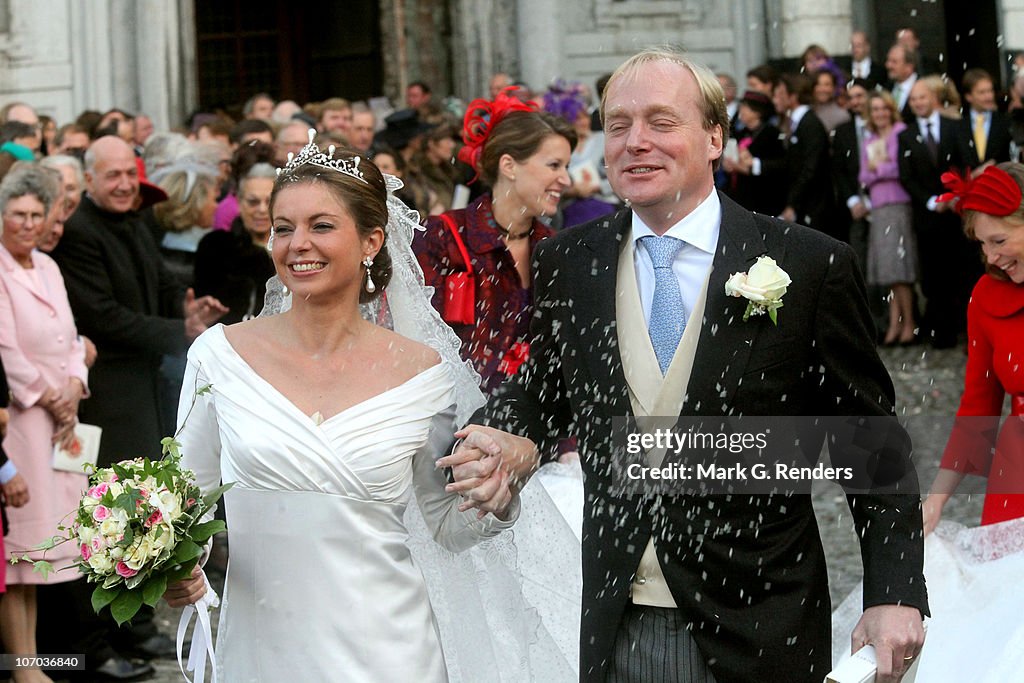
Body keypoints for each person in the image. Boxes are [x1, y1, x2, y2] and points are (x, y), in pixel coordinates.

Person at [454, 47, 927, 683]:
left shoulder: (809, 264)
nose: (634, 142)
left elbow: (872, 443)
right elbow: (543, 389)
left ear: (713, 137)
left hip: (762, 618)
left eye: (660, 122)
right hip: (617, 614)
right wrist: (507, 435)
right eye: (617, 125)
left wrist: (894, 591)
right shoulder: (570, 261)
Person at [162, 139, 525, 681]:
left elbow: (446, 524)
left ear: (372, 241)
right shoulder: (217, 357)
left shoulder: (423, 373)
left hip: (392, 654)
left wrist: (495, 497)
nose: (297, 244)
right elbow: (181, 498)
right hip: (262, 653)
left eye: (321, 226)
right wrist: (175, 562)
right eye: (282, 228)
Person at [413, 91, 575, 394]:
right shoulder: (442, 236)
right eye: (554, 165)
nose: (566, 179)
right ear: (509, 165)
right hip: (452, 417)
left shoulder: (556, 247)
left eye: (566, 166)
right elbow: (415, 337)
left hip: (533, 419)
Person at [0, 164, 89, 683]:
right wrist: (48, 396)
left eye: (38, 214)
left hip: (64, 416)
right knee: (18, 554)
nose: (29, 224)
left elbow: (73, 336)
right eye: (18, 214)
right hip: (22, 419)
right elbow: (6, 347)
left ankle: (32, 664)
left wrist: (76, 383)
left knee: (44, 554)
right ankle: (25, 667)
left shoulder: (48, 267)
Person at [923, 162, 1024, 531]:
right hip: (1018, 476)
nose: (991, 257)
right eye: (983, 244)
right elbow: (978, 407)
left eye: (999, 240)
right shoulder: (986, 295)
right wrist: (936, 501)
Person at [898, 79, 974, 348]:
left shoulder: (955, 127)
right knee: (933, 276)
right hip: (927, 216)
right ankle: (942, 333)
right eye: (913, 99)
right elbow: (906, 177)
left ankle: (968, 331)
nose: (918, 103)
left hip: (956, 213)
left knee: (961, 272)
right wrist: (931, 201)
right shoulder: (905, 135)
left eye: (922, 97)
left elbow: (967, 162)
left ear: (933, 98)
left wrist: (953, 196)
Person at [858, 91, 919, 346]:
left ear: (891, 109)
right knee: (889, 270)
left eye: (884, 108)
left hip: (898, 203)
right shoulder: (870, 138)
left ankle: (909, 323)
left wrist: (879, 169)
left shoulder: (900, 132)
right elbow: (864, 175)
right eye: (875, 109)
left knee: (899, 268)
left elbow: (901, 168)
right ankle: (897, 322)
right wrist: (879, 170)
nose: (880, 113)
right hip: (879, 208)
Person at [194, 163, 276, 323]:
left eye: (269, 202)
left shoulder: (296, 246)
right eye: (253, 202)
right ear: (239, 201)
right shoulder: (215, 248)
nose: (261, 209)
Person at [723, 90, 786, 216]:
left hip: (761, 195)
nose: (742, 111)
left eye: (746, 108)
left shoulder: (771, 134)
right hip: (738, 192)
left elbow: (780, 164)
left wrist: (752, 165)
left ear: (758, 112)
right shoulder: (740, 132)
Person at [955, 68, 1012, 169]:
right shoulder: (957, 128)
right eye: (982, 92)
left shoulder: (1005, 123)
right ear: (968, 96)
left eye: (990, 91)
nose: (989, 96)